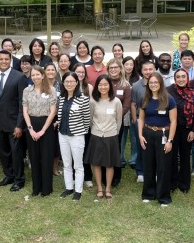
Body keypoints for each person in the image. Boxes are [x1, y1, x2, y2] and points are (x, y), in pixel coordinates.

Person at [0, 50, 29, 191]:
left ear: (10, 60)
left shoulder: (19, 77)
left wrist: (19, 125)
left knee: (16, 153)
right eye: (1, 59)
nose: (4, 61)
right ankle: (9, 175)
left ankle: (19, 179)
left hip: (14, 124)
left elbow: (22, 104)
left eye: (6, 59)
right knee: (3, 152)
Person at [138, 73, 177, 205]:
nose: (153, 84)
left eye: (156, 82)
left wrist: (170, 141)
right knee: (148, 165)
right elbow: (141, 118)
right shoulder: (145, 98)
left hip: (163, 135)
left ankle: (163, 196)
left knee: (163, 166)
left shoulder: (169, 99)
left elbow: (174, 121)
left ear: (160, 83)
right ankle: (149, 193)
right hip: (148, 133)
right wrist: (140, 135)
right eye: (151, 82)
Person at [22, 65, 58, 197]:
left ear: (43, 75)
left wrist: (43, 130)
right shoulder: (27, 91)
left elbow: (53, 111)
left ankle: (46, 188)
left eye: (38, 74)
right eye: (33, 75)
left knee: (46, 157)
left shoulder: (51, 90)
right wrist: (30, 129)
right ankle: (36, 187)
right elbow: (25, 110)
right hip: (31, 124)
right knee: (34, 157)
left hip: (46, 126)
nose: (35, 77)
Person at [87, 75, 122, 200]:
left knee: (109, 164)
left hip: (111, 136)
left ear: (110, 86)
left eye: (105, 84)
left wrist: (113, 132)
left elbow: (119, 120)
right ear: (97, 86)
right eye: (100, 84)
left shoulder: (116, 101)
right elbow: (90, 120)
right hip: (96, 135)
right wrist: (96, 129)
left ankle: (108, 189)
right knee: (96, 163)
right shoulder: (93, 101)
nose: (103, 87)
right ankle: (99, 188)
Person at [56, 72, 90, 201]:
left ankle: (78, 190)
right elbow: (60, 116)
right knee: (66, 163)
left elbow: (87, 119)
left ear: (77, 83)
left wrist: (80, 131)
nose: (69, 84)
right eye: (66, 81)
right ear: (63, 83)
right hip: (62, 135)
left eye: (71, 81)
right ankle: (69, 187)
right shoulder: (61, 97)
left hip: (77, 136)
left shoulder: (83, 98)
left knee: (78, 164)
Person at [168, 69, 194, 194]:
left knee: (185, 156)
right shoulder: (169, 91)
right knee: (172, 156)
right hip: (172, 129)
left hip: (187, 129)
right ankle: (172, 182)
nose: (181, 79)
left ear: (187, 78)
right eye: (178, 77)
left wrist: (193, 131)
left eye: (183, 77)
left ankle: (184, 184)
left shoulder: (193, 92)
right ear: (175, 79)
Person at [130, 61, 156, 183]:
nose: (148, 72)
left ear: (154, 69)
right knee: (141, 145)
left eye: (150, 69)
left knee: (154, 147)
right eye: (145, 69)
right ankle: (140, 171)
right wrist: (135, 120)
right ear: (141, 70)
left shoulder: (158, 84)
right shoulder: (136, 86)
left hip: (155, 121)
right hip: (141, 121)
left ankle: (154, 171)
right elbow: (133, 104)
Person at [107, 59, 131, 186]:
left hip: (117, 123)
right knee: (105, 148)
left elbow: (126, 106)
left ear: (120, 69)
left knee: (116, 148)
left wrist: (115, 118)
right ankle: (106, 174)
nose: (113, 70)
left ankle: (116, 176)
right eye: (111, 68)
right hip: (103, 122)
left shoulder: (125, 85)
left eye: (116, 67)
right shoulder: (104, 82)